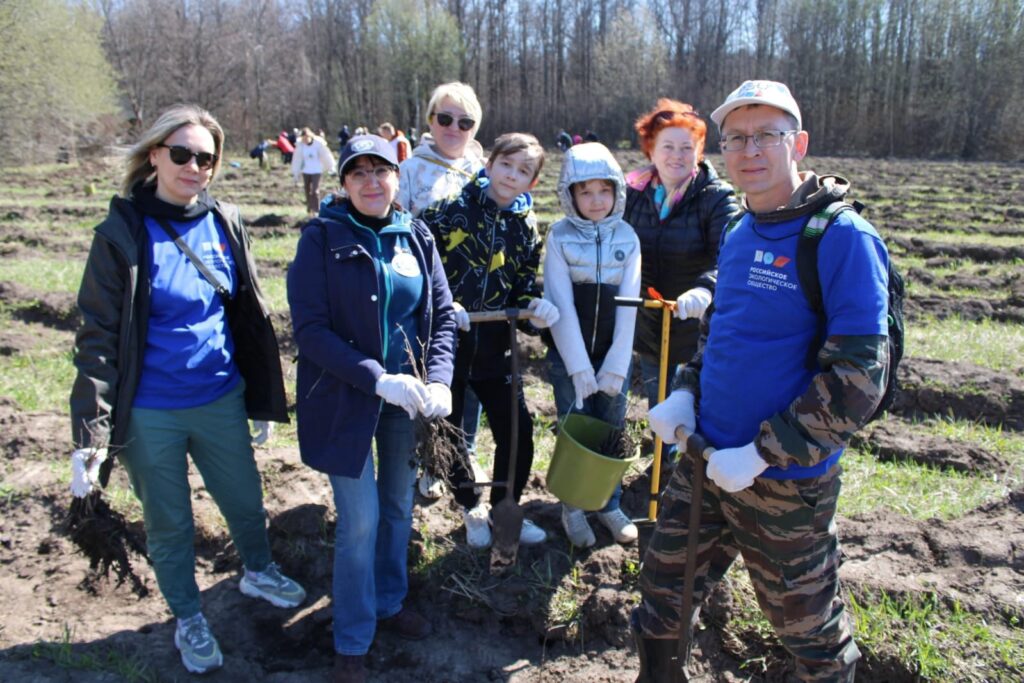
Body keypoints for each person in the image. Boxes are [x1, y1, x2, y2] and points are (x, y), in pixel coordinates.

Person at [634, 80, 888, 681]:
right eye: (736, 138)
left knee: (809, 631)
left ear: (797, 142)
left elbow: (859, 378)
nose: (749, 151)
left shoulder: (839, 238)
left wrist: (761, 453)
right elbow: (727, 335)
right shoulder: (742, 229)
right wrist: (687, 392)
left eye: (766, 136)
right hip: (703, 463)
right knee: (663, 592)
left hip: (785, 483)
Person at [68, 104, 304, 676]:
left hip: (220, 396)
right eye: (182, 154)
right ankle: (189, 616)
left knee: (246, 500)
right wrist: (91, 432)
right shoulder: (122, 232)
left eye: (206, 157)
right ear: (155, 156)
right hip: (152, 412)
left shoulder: (225, 220)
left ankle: (257, 569)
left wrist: (260, 394)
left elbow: (247, 311)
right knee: (169, 522)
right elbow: (97, 335)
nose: (194, 166)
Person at [287, 135, 457, 683]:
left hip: (407, 403)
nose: (370, 181)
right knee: (358, 521)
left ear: (396, 177)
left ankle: (390, 599)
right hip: (345, 400)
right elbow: (309, 330)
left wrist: (440, 381)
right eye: (357, 172)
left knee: (398, 507)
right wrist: (376, 378)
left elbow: (444, 315)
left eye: (381, 170)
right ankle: (353, 635)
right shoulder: (321, 238)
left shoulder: (417, 235)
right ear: (342, 183)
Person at [420, 132, 558, 549]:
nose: (511, 176)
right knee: (448, 431)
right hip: (449, 340)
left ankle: (505, 508)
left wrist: (534, 310)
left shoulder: (528, 228)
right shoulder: (448, 211)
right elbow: (421, 268)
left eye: (523, 172)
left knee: (518, 431)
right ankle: (470, 506)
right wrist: (444, 306)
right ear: (489, 163)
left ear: (532, 182)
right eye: (506, 165)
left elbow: (519, 287)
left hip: (496, 345)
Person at [624, 99, 739, 467]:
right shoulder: (631, 193)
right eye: (667, 147)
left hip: (696, 325)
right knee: (659, 401)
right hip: (650, 322)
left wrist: (706, 288)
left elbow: (732, 255)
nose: (677, 156)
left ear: (700, 151)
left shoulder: (715, 198)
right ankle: (660, 468)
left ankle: (687, 472)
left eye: (687, 148)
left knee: (691, 404)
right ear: (651, 150)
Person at [542, 142, 641, 547]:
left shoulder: (628, 237)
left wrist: (616, 363)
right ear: (570, 194)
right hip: (570, 356)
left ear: (617, 191)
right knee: (574, 426)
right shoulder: (559, 237)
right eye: (585, 192)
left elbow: (631, 302)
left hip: (612, 352)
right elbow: (560, 301)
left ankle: (608, 502)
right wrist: (578, 367)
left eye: (604, 191)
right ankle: (573, 507)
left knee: (612, 426)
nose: (596, 200)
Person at [397, 81, 488, 500]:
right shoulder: (411, 170)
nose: (454, 128)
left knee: (470, 382)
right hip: (430, 293)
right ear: (430, 120)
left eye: (464, 121)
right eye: (445, 118)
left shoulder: (482, 171)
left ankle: (463, 453)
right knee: (431, 375)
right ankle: (430, 460)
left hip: (478, 298)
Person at [292, 127, 336, 215]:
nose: (305, 140)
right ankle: (309, 208)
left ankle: (316, 209)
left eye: (306, 138)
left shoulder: (318, 144)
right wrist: (295, 173)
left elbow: (326, 155)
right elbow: (297, 160)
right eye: (303, 138)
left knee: (315, 191)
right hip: (306, 171)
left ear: (310, 136)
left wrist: (331, 168)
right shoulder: (300, 146)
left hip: (316, 170)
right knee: (307, 190)